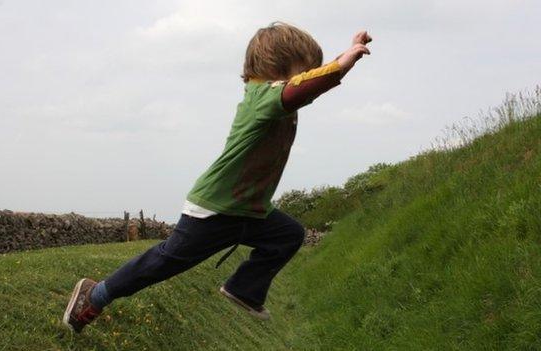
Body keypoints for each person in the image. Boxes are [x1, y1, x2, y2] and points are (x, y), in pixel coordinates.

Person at [63, 21, 372, 333]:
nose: (312, 75)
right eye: (307, 69)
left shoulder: (278, 98)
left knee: (288, 235)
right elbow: (300, 90)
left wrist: (342, 59)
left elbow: (305, 88)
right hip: (216, 208)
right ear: (278, 65)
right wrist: (342, 64)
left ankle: (244, 288)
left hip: (248, 211)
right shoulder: (261, 97)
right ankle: (96, 295)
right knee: (165, 262)